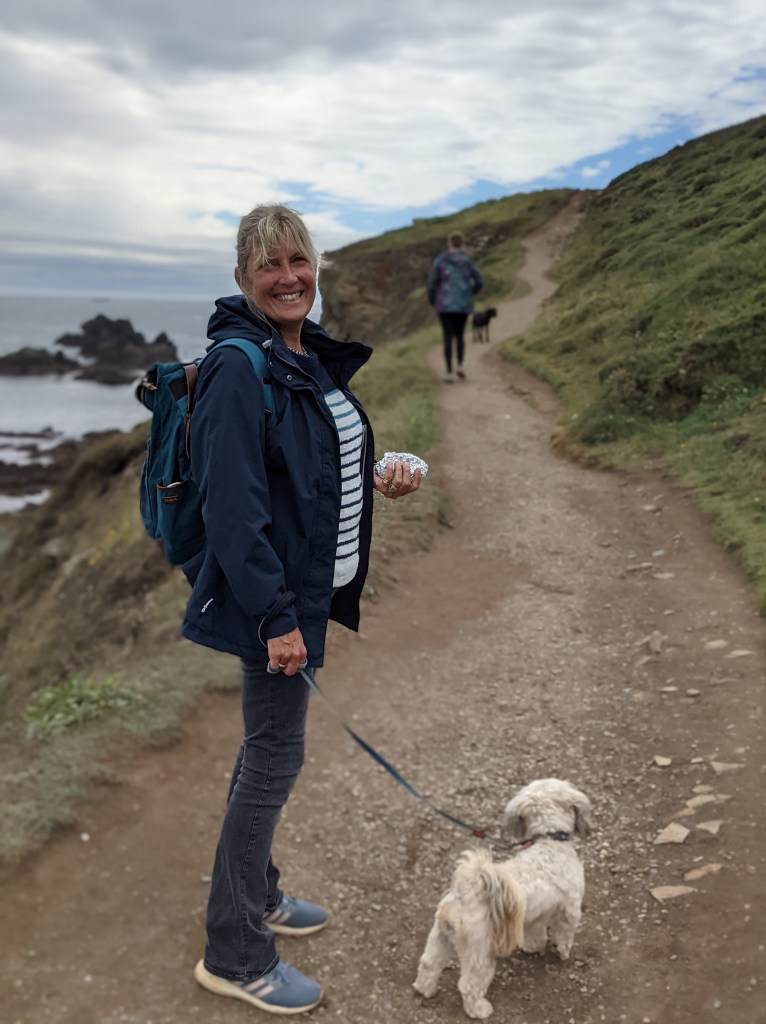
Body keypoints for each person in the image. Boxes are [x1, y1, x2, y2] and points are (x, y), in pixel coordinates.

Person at [182, 203, 422, 1015]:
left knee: (266, 751)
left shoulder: (304, 354)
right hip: (277, 607)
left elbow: (308, 466)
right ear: (242, 278)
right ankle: (236, 952)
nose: (289, 278)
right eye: (269, 266)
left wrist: (376, 474)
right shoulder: (236, 366)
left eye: (298, 261)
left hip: (302, 598)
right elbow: (233, 509)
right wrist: (276, 617)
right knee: (273, 760)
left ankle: (260, 893)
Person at [427, 231, 483, 383]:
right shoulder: (468, 261)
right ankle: (460, 365)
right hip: (463, 304)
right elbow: (479, 282)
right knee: (460, 336)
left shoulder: (440, 260)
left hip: (444, 305)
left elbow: (432, 283)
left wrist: (432, 300)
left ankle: (449, 372)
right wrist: (470, 293)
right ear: (462, 244)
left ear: (449, 243)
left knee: (447, 337)